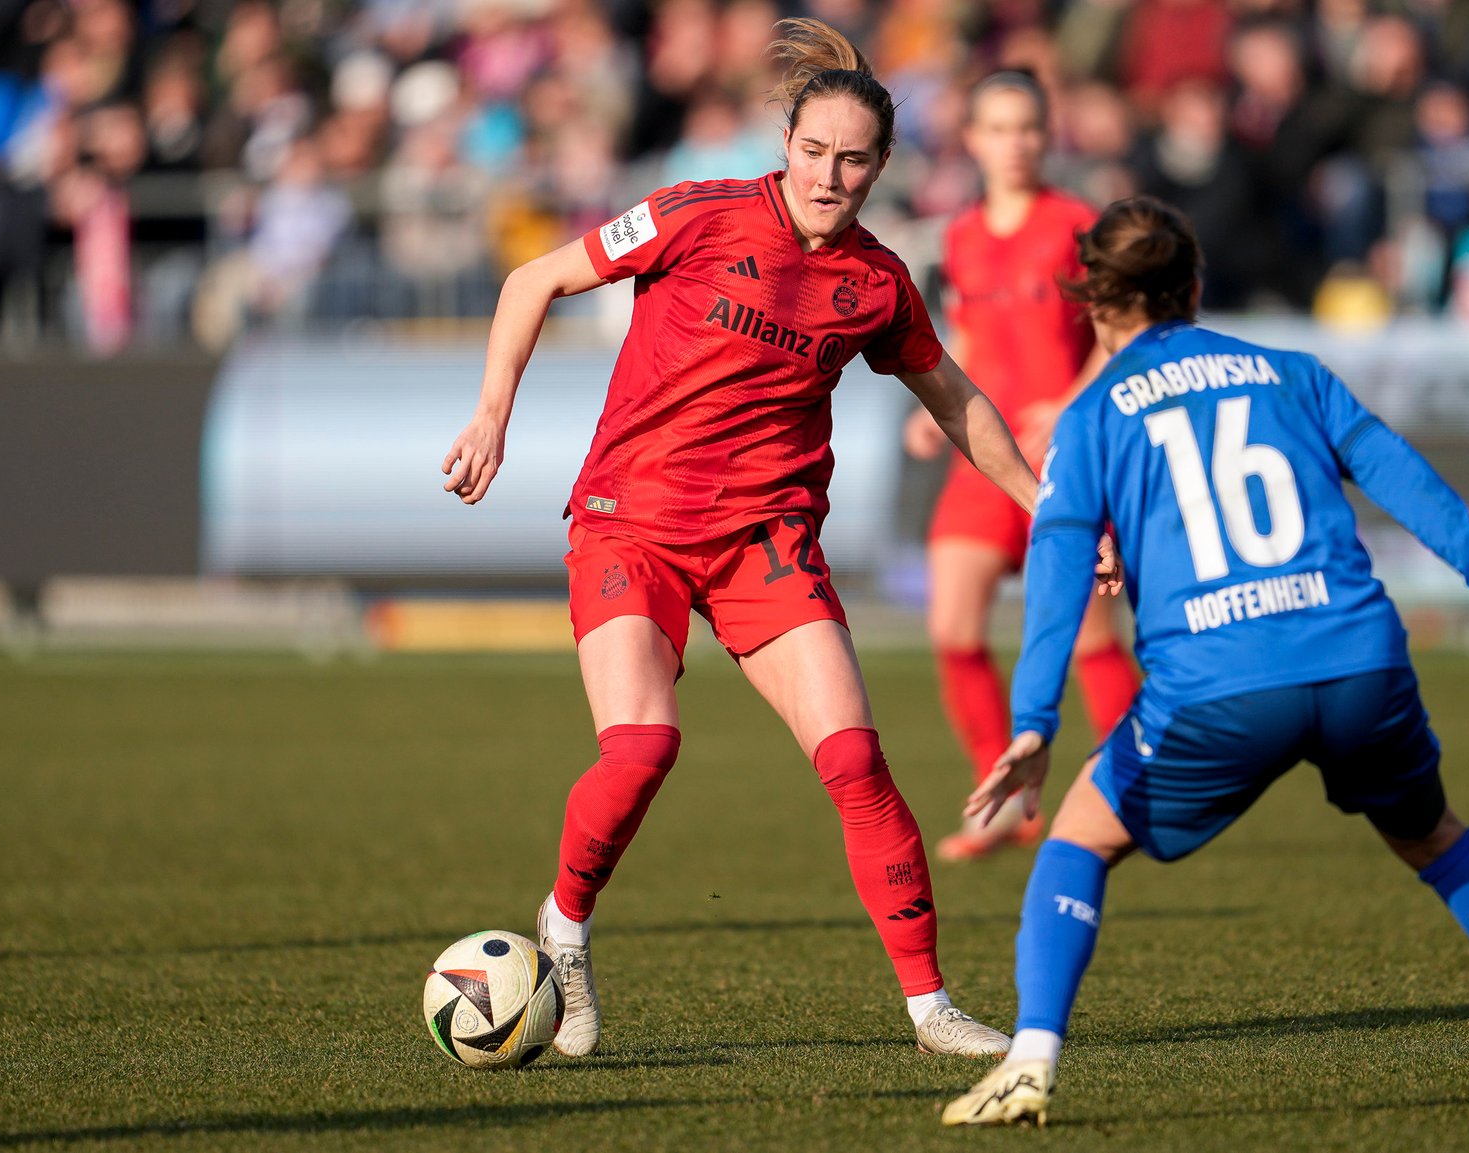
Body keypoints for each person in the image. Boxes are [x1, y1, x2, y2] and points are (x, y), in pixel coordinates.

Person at [441, 19, 1114, 1062]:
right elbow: (530, 280)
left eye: (852, 159)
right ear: (785, 143)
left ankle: (930, 1009)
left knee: (854, 758)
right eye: (813, 152)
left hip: (766, 539)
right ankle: (564, 926)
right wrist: (491, 415)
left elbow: (954, 397)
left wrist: (1043, 502)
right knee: (644, 745)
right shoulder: (694, 214)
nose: (829, 175)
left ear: (882, 165)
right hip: (635, 520)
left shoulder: (879, 283)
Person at [941, 198, 1469, 1127]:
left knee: (1077, 842)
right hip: (1358, 663)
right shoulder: (1289, 371)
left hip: (1218, 687)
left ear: (1092, 303)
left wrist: (1034, 722)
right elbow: (1397, 470)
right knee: (1434, 836)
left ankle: (1029, 1064)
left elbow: (1059, 571)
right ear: (1194, 288)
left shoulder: (1094, 414)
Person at [904, 71, 1138, 863]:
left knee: (1089, 638)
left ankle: (1140, 788)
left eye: (1028, 127)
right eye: (998, 128)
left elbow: (1119, 336)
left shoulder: (1076, 225)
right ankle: (1003, 800)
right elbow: (969, 339)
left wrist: (1070, 404)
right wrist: (934, 414)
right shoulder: (963, 235)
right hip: (984, 460)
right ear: (971, 139)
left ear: (1049, 134)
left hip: (1065, 463)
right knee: (953, 627)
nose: (1015, 142)